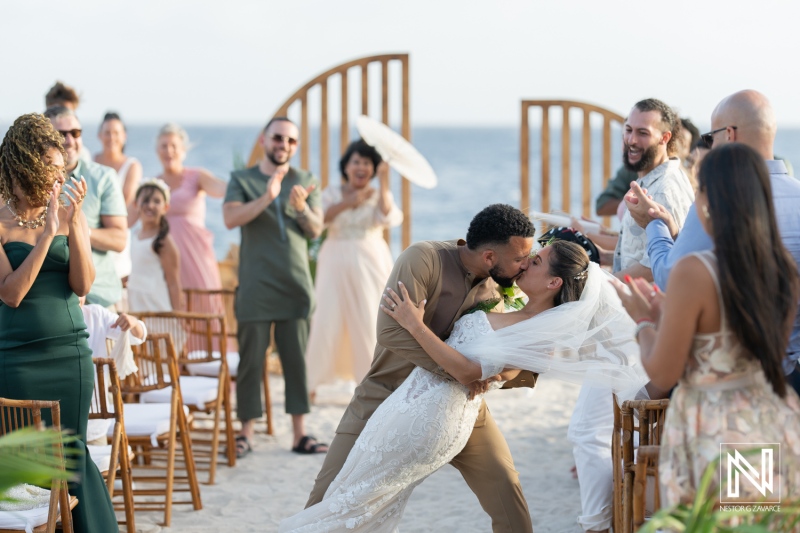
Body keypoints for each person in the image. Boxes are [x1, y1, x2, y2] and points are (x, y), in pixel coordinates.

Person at [283, 240, 647, 531]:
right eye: (525, 256)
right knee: (363, 500)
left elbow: (478, 371)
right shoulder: (499, 294)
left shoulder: (540, 334)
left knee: (359, 498)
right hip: (416, 403)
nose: (527, 262)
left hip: (433, 415)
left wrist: (416, 324)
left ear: (554, 283)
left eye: (536, 261)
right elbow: (490, 366)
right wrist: (490, 376)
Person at [307, 204, 536, 531]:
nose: (525, 265)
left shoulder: (502, 286)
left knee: (506, 487)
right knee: (326, 496)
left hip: (461, 405)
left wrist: (490, 374)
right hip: (385, 393)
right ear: (489, 257)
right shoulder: (424, 259)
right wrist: (458, 371)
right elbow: (389, 331)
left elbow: (504, 354)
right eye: (519, 258)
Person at [613, 143, 800, 510]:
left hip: (712, 420)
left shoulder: (694, 270)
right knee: (751, 519)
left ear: (708, 199)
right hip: (766, 414)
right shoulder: (785, 269)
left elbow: (664, 372)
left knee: (709, 520)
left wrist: (645, 322)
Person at [627, 90, 800, 395]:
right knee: (762, 447)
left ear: (729, 134)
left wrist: (654, 225)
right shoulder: (785, 267)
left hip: (724, 394)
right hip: (784, 387)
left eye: (711, 137)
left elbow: (669, 278)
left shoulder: (720, 199)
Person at [0, 113, 118, 532]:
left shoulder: (69, 211)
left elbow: (83, 282)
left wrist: (76, 220)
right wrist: (48, 233)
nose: (59, 174)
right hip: (16, 360)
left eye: (61, 166)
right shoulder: (0, 219)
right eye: (50, 165)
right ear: (23, 162)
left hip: (69, 355)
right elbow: (11, 293)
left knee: (71, 452)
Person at [223, 117, 325, 457]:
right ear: (265, 140)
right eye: (278, 138)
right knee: (251, 360)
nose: (284, 145)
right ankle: (245, 433)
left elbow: (315, 229)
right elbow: (230, 218)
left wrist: (300, 209)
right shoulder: (242, 179)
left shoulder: (306, 181)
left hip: (295, 285)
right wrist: (268, 196)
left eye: (291, 141)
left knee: (296, 361)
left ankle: (299, 434)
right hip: (255, 286)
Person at [305, 139, 403, 395]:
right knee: (327, 316)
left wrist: (383, 183)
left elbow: (387, 215)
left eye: (367, 163)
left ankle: (373, 380)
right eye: (356, 161)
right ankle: (314, 382)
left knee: (370, 316)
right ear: (346, 166)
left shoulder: (379, 193)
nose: (361, 167)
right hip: (334, 257)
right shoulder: (332, 192)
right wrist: (350, 200)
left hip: (369, 259)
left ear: (374, 168)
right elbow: (321, 220)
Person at [44, 106, 128, 309]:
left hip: (99, 300)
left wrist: (78, 230)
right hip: (52, 300)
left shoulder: (103, 177)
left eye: (75, 133)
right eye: (61, 134)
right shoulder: (31, 184)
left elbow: (119, 239)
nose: (70, 140)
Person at [612, 99, 694, 281]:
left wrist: (603, 287)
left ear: (664, 138)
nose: (631, 140)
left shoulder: (664, 189)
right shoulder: (654, 179)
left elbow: (654, 267)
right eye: (628, 130)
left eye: (643, 133)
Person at [146, 123, 226, 293]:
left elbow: (222, 189)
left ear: (183, 150)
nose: (169, 151)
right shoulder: (152, 184)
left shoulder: (197, 176)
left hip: (196, 255)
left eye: (173, 146)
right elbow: (133, 215)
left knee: (204, 305)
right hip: (165, 258)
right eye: (164, 146)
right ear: (157, 151)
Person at [95, 112, 142, 302]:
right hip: (92, 234)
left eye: (116, 133)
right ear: (100, 135)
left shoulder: (132, 166)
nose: (111, 138)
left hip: (116, 233)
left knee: (118, 290)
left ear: (124, 136)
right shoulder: (90, 161)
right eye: (107, 132)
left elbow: (123, 203)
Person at [127, 178, 181, 312]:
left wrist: (179, 315)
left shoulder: (163, 241)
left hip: (157, 309)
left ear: (165, 207)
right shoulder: (134, 236)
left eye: (156, 201)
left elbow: (173, 283)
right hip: (135, 306)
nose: (150, 205)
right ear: (135, 204)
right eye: (145, 200)